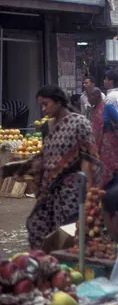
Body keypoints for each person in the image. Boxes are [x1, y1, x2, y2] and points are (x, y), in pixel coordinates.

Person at [17, 86, 99, 249]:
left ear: (59, 102)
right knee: (36, 226)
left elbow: (87, 159)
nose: (43, 109)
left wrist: (90, 193)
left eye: (46, 104)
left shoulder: (79, 123)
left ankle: (68, 266)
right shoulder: (47, 127)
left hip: (72, 190)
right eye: (41, 105)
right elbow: (46, 154)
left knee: (68, 232)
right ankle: (45, 264)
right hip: (49, 190)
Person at [88, 88, 118, 189]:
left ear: (97, 97)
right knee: (103, 166)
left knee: (115, 165)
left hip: (111, 143)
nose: (88, 100)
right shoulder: (92, 111)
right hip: (98, 145)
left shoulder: (107, 107)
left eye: (90, 97)